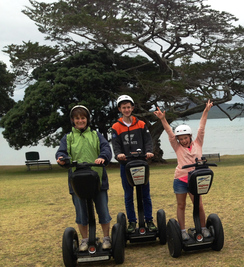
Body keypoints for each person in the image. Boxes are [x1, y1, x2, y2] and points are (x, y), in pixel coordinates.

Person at [154, 100, 213, 240]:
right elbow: (169, 132)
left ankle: (203, 228)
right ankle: (182, 231)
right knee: (181, 205)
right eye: (181, 139)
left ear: (190, 137)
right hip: (180, 179)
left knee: (198, 204)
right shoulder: (177, 146)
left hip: (196, 179)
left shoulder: (198, 143)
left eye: (185, 138)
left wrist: (205, 111)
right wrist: (163, 119)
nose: (184, 141)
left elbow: (201, 128)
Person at [56, 105, 113, 251]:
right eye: (77, 118)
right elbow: (61, 152)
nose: (80, 121)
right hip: (78, 181)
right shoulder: (68, 137)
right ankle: (84, 240)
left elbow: (106, 148)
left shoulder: (95, 134)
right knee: (81, 213)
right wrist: (61, 158)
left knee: (103, 210)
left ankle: (107, 238)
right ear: (72, 120)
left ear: (87, 119)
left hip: (97, 180)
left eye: (83, 118)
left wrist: (102, 157)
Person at [111, 95, 157, 233]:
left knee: (145, 194)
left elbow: (148, 140)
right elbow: (116, 144)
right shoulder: (116, 127)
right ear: (120, 109)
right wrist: (119, 155)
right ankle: (132, 222)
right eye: (123, 107)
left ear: (132, 108)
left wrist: (149, 152)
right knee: (128, 195)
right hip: (126, 165)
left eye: (128, 107)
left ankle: (149, 220)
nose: (126, 109)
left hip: (141, 164)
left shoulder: (141, 124)